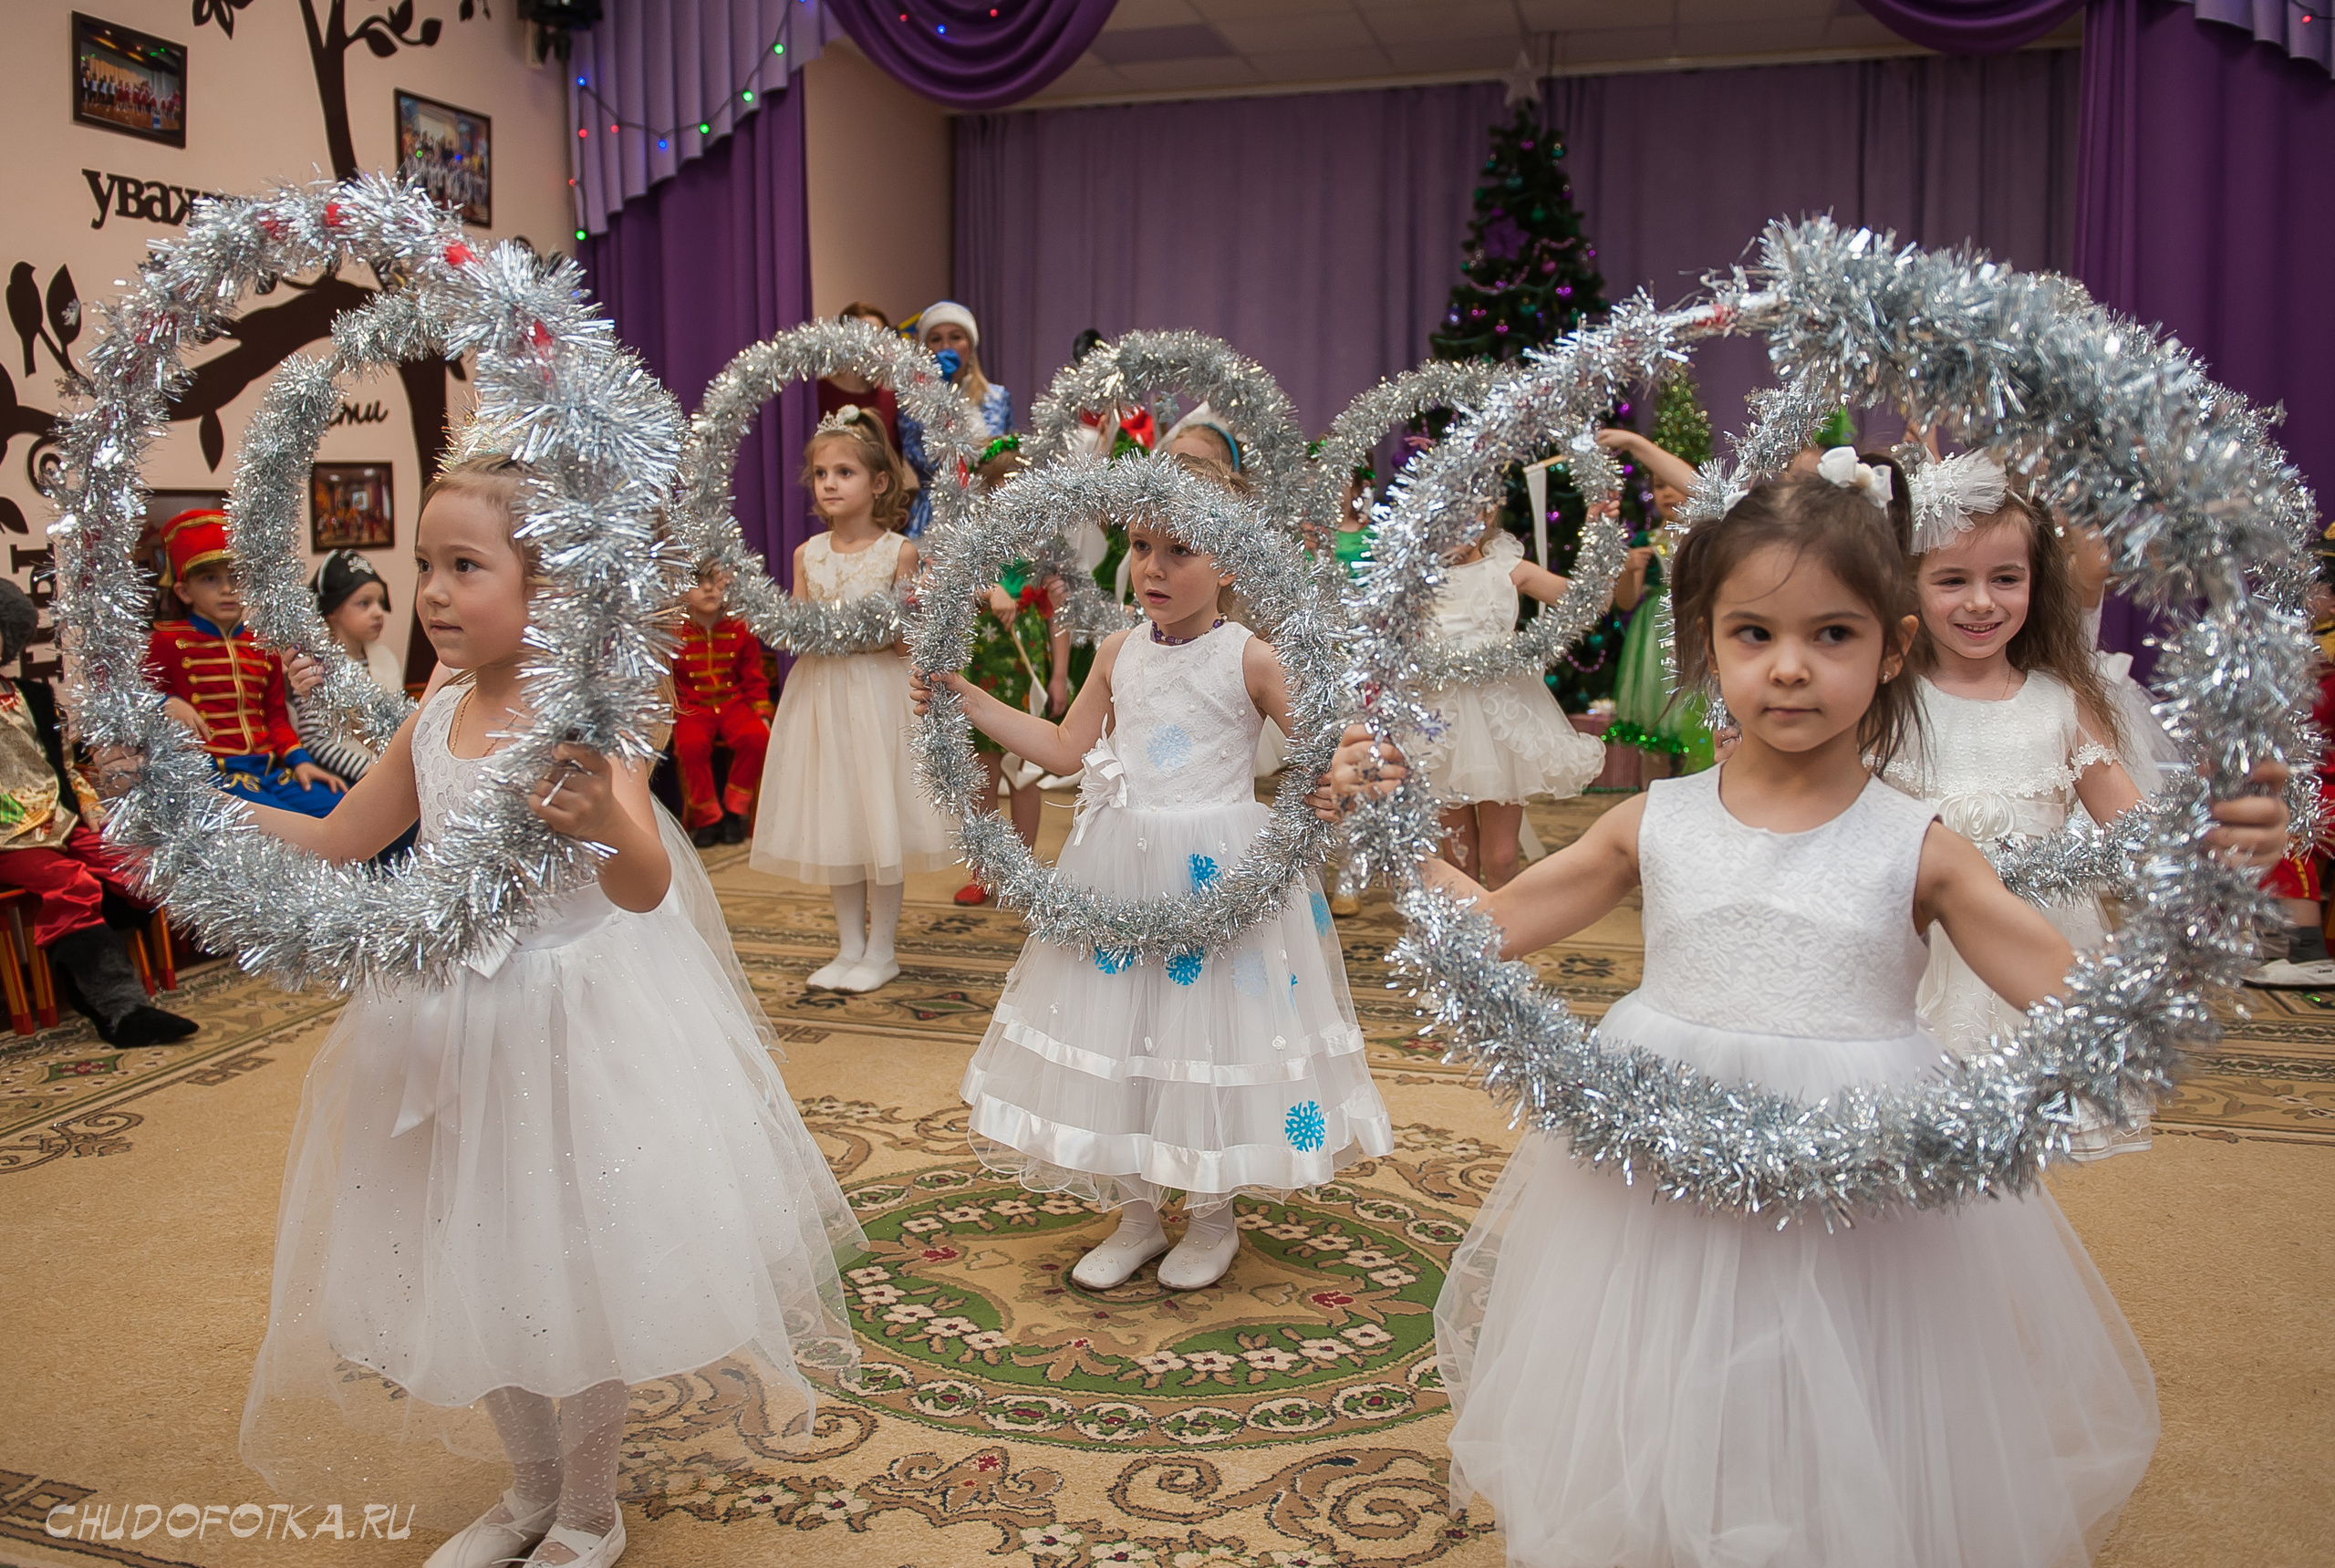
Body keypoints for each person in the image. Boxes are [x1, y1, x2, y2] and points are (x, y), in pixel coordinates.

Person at [1313, 467, 2293, 1568]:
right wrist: (1395, 830)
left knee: (1852, 1376)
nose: (1788, 667)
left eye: (1831, 633)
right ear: (1707, 647)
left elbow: (2084, 995)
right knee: (1672, 1355)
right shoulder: (1653, 821)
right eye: (1752, 634)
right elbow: (1489, 926)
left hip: (1862, 1158)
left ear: (1893, 649)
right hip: (1663, 1141)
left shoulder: (1919, 843)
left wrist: (2213, 888)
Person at [206, 456, 860, 1568]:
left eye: (466, 566)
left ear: (547, 586)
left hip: (570, 1020)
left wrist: (609, 809)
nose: (434, 592)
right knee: (471, 1249)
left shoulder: (585, 713)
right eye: (425, 565)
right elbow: (340, 837)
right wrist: (192, 808)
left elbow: (647, 884)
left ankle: (590, 1509)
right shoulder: (440, 707)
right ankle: (528, 1484)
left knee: (570, 1257)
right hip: (443, 1020)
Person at [913, 476, 1394, 1293]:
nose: (1153, 568)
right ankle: (1136, 1214)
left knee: (1205, 1035)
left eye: (1180, 550)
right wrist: (967, 697)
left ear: (1231, 561)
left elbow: (1331, 739)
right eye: (1140, 548)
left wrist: (1353, 772)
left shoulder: (1249, 655)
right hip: (1117, 868)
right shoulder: (1116, 650)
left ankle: (1211, 1217)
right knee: (1123, 1033)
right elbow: (1067, 749)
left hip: (1220, 873)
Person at [1872, 449, 2155, 1156]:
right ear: (1908, 585)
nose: (1981, 601)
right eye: (1951, 580)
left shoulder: (2061, 704)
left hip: (2034, 949)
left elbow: (2132, 825)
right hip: (1914, 946)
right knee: (1904, 1129)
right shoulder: (1888, 703)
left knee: (2012, 1149)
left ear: (2037, 584)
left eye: (2006, 578)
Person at [750, 406, 953, 992]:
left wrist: (875, 629)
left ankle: (882, 950)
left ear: (879, 483)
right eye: (821, 474)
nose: (831, 484)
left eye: (845, 472)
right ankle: (849, 947)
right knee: (837, 812)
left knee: (878, 815)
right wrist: (789, 625)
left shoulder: (899, 553)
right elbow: (795, 622)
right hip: (822, 694)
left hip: (877, 694)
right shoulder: (807, 554)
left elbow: (909, 632)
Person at [0, 581, 196, 1047]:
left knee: (133, 869)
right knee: (73, 886)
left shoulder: (31, 695)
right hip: (7, 836)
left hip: (58, 818)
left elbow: (65, 766)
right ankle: (119, 1010)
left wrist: (90, 808)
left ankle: (80, 965)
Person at [1417, 506, 1606, 889]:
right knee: (1457, 857)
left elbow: (1588, 604)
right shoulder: (1417, 579)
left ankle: (1504, 941)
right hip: (1442, 720)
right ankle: (1462, 946)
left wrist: (1599, 536)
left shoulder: (1506, 568)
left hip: (1500, 718)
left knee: (1500, 857)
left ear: (1487, 516)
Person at [146, 510, 345, 816]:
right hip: (211, 779)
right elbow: (131, 701)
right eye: (211, 578)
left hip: (271, 772)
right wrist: (165, 701)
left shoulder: (261, 643)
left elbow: (275, 717)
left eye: (236, 577)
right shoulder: (166, 641)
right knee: (286, 829)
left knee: (343, 810)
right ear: (184, 591)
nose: (227, 589)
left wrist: (301, 761)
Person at [952, 439, 1071, 907]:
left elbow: (1059, 617)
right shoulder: (973, 547)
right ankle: (986, 869)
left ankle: (1023, 870)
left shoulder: (1045, 552)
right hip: (980, 668)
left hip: (1026, 675)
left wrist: (1059, 677)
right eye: (1000, 493)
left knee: (1024, 773)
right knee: (983, 775)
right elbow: (949, 590)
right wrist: (988, 592)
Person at [669, 566, 771, 848]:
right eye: (699, 583)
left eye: (715, 583)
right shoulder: (675, 631)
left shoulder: (740, 628)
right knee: (690, 746)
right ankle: (707, 818)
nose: (709, 590)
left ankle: (734, 810)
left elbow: (754, 678)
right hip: (692, 707)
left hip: (732, 703)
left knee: (756, 737)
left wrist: (762, 713)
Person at [289, 550, 405, 785]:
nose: (378, 613)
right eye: (364, 603)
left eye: (380, 603)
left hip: (390, 770)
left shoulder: (384, 658)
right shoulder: (314, 666)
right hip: (345, 777)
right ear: (331, 611)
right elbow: (316, 740)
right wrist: (367, 769)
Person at [899, 300, 1012, 536]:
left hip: (990, 508)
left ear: (970, 345)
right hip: (935, 512)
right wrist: (938, 390)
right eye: (936, 339)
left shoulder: (997, 397)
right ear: (925, 347)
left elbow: (1009, 455)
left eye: (956, 337)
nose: (946, 346)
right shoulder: (912, 400)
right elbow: (921, 458)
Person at [815, 301, 902, 449]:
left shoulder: (890, 398)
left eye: (877, 338)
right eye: (861, 337)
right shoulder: (818, 393)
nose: (869, 346)